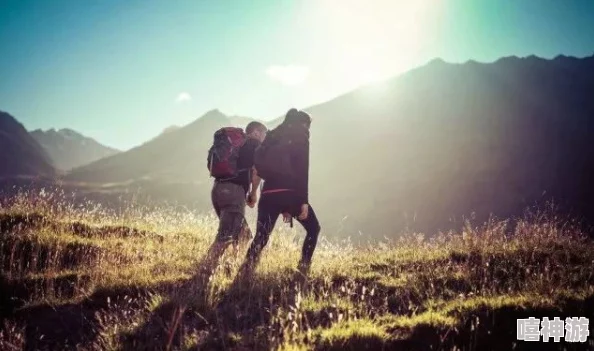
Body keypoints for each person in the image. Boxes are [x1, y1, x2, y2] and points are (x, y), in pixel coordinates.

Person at [237, 108, 321, 281]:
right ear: (304, 123)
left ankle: (245, 272)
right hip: (291, 193)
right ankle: (303, 268)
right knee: (314, 228)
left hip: (268, 193)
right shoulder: (301, 135)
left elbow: (261, 167)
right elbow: (302, 170)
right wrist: (302, 201)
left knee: (261, 237)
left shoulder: (273, 135)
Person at [199, 121, 268, 282]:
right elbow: (256, 171)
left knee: (243, 235)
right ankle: (203, 273)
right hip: (233, 192)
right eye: (264, 133)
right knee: (225, 236)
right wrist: (253, 194)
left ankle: (231, 267)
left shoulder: (237, 144)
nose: (265, 138)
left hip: (218, 189)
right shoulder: (253, 144)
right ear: (257, 132)